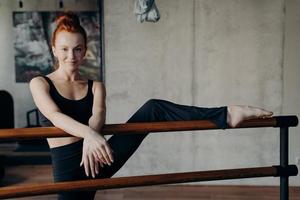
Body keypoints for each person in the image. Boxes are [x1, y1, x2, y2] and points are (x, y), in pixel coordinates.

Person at [29, 12, 273, 200]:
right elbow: (55, 115)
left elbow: (98, 117)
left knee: (154, 107)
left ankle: (228, 114)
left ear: (85, 52)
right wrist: (90, 136)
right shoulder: (40, 83)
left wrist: (92, 138)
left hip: (99, 157)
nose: (71, 55)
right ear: (54, 50)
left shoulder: (96, 86)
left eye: (77, 49)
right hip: (68, 167)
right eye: (64, 49)